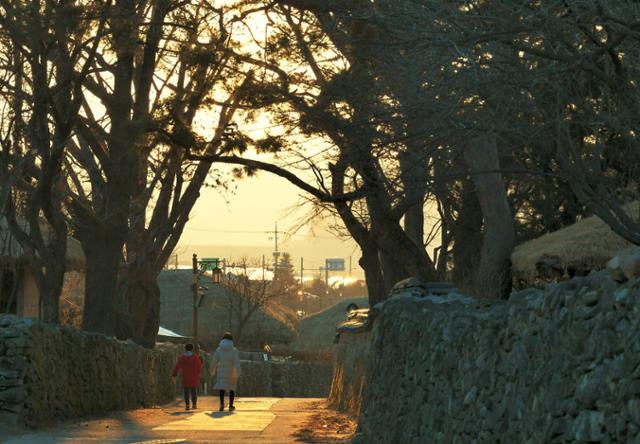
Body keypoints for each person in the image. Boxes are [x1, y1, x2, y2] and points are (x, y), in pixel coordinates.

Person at [210, 332, 241, 412]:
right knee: (231, 389)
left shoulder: (219, 350)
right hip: (231, 371)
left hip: (221, 371)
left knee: (222, 389)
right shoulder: (234, 350)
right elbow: (236, 362)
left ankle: (222, 405)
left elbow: (214, 361)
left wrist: (212, 370)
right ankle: (230, 406)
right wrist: (238, 372)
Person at [172, 343, 203, 411]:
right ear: (192, 349)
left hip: (186, 376)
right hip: (194, 376)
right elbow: (199, 367)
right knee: (194, 391)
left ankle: (187, 405)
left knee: (186, 391)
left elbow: (178, 366)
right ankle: (194, 404)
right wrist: (198, 374)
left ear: (185, 349)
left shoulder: (182, 357)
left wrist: (175, 374)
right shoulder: (195, 357)